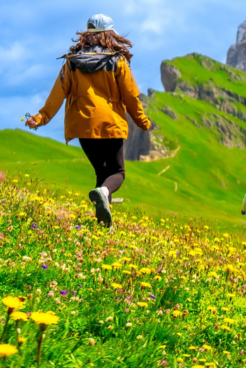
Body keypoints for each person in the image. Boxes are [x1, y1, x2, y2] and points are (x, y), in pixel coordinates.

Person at [25, 14, 151, 227]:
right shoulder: (117, 60)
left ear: (87, 34)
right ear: (110, 34)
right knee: (116, 172)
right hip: (109, 124)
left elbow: (57, 95)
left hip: (83, 126)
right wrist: (142, 122)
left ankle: (103, 225)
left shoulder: (71, 62)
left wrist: (40, 117)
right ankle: (104, 194)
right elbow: (131, 96)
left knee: (102, 173)